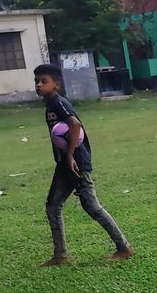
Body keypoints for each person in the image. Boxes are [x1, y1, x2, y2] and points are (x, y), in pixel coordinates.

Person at [33, 64, 133, 266]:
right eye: (36, 81)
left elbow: (75, 125)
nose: (38, 85)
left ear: (56, 85)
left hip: (77, 163)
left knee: (92, 206)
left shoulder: (59, 103)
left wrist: (70, 155)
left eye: (44, 81)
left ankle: (124, 247)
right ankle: (60, 255)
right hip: (64, 165)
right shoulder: (50, 104)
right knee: (52, 206)